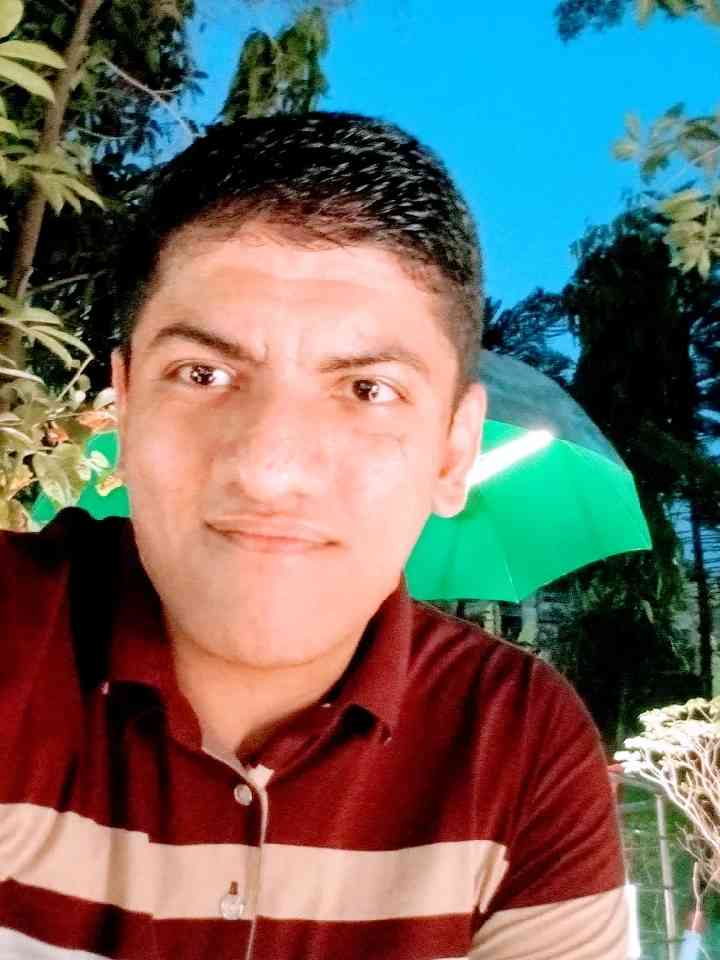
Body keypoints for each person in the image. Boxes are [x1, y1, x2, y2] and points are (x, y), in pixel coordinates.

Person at [0, 112, 627, 960]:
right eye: (203, 374)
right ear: (128, 405)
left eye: (368, 389)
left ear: (453, 451)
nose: (270, 470)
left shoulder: (517, 743)